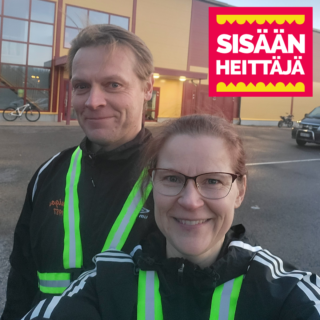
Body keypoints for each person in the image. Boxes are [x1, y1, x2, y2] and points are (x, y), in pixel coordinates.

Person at [21, 115, 320, 320]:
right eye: (172, 179)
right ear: (152, 186)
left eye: (213, 181)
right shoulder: (106, 284)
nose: (190, 201)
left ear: (240, 190)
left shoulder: (284, 291)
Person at [1, 24, 158, 320]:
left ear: (147, 87)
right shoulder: (48, 174)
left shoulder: (178, 181)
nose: (92, 101)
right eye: (81, 86)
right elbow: (21, 280)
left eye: (113, 84)